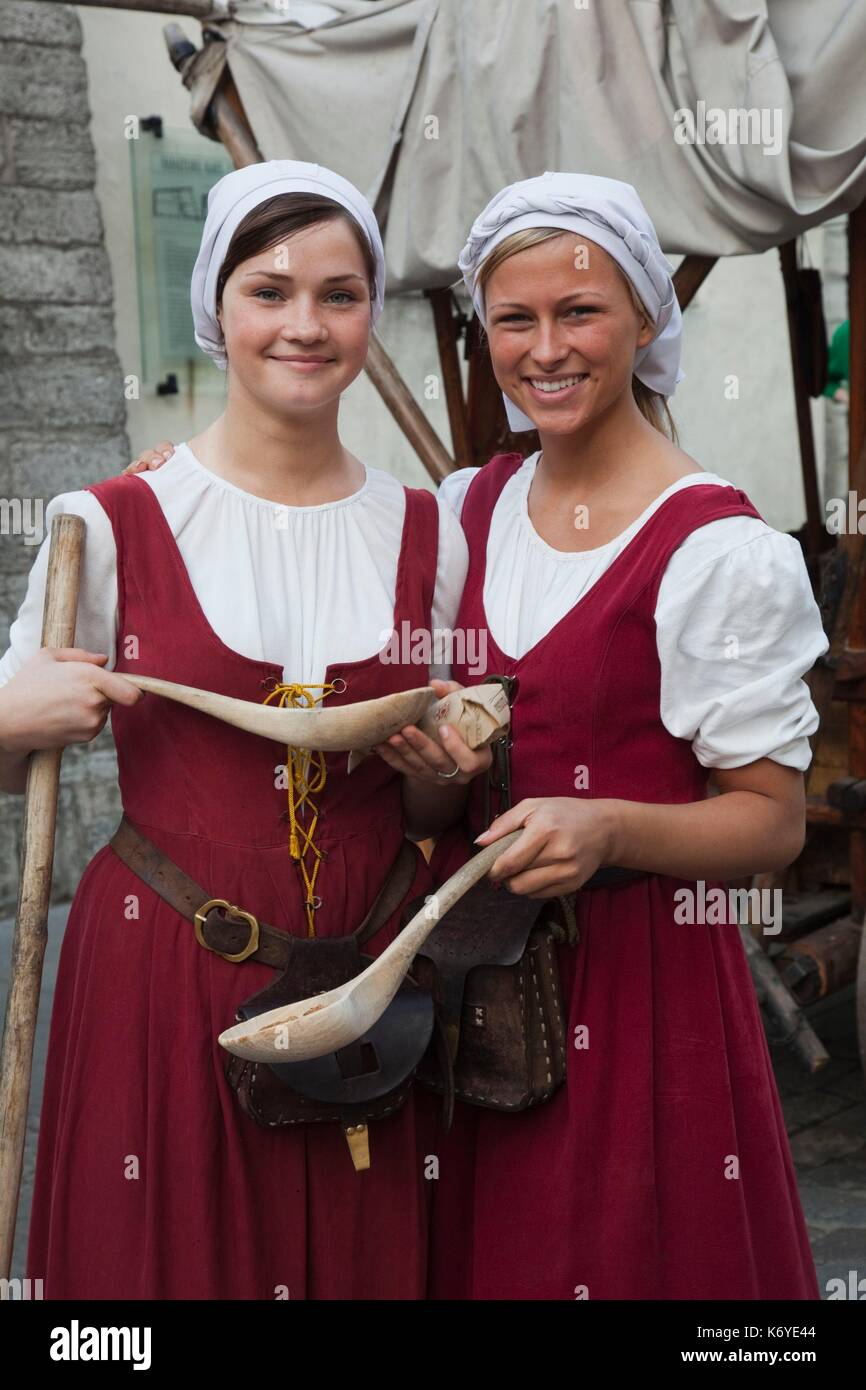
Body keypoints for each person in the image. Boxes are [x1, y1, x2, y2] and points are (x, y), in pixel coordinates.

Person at [0, 160, 489, 1300]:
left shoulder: (431, 529)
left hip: (370, 978)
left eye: (339, 293)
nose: (304, 325)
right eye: (268, 291)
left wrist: (434, 783)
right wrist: (11, 713)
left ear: (372, 309)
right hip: (164, 972)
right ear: (215, 308)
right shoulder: (105, 523)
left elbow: (436, 801)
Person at [374, 172, 829, 1299]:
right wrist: (440, 777)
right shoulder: (463, 509)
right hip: (477, 983)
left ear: (640, 317)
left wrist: (608, 827)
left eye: (577, 311)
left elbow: (769, 825)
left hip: (641, 990)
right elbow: (436, 808)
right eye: (512, 319)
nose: (545, 350)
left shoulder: (715, 548)